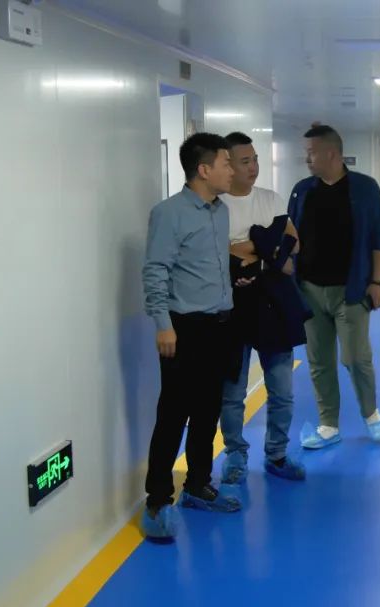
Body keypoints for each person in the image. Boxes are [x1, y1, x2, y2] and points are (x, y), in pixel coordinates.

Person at [140, 133, 246, 540]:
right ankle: (157, 500)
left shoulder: (221, 212)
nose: (232, 170)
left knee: (207, 411)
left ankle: (198, 485)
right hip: (184, 329)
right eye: (225, 163)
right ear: (203, 170)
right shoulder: (169, 213)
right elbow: (156, 270)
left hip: (221, 325)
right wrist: (163, 324)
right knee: (173, 416)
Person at [288, 124, 380, 449]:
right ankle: (328, 424)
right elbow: (291, 238)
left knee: (355, 358)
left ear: (331, 153)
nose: (307, 159)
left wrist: (377, 281)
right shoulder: (302, 190)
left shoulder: (364, 188)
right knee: (319, 361)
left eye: (311, 153)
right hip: (309, 291)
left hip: (352, 290)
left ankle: (370, 413)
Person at [217, 132, 308, 484]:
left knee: (282, 391)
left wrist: (246, 247)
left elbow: (293, 243)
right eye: (245, 161)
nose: (253, 167)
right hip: (232, 306)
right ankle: (235, 455)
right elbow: (220, 253)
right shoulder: (217, 206)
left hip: (273, 304)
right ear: (228, 165)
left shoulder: (271, 199)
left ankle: (277, 454)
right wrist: (268, 247)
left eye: (254, 159)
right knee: (232, 393)